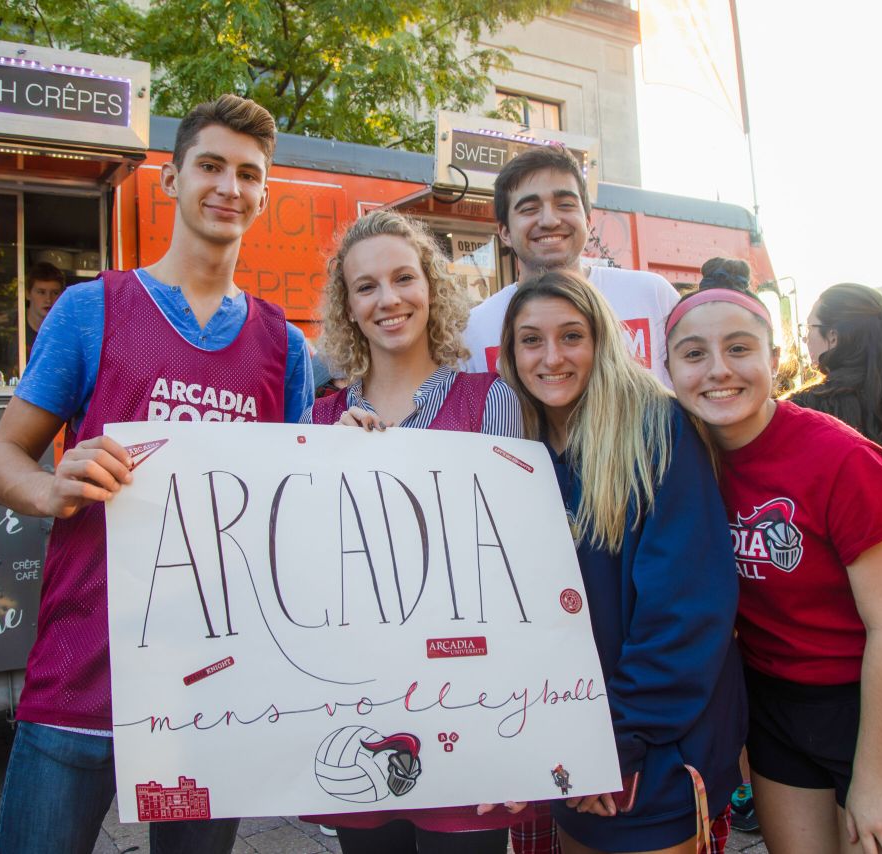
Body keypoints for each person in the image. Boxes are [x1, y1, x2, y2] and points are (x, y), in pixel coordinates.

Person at [0, 94, 313, 854]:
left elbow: (294, 505)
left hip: (209, 688)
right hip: (81, 669)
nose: (230, 187)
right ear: (170, 180)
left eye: (249, 175)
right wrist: (51, 485)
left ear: (264, 196)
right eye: (211, 166)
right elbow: (0, 458)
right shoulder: (91, 309)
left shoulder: (283, 345)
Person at [666, 271, 882, 854]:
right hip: (781, 703)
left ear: (775, 357)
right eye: (693, 354)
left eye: (739, 348)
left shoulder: (841, 458)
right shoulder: (684, 460)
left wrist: (873, 776)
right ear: (671, 370)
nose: (718, 370)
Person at [299, 209, 524, 852]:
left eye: (404, 278)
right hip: (356, 710)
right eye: (365, 286)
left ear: (432, 287)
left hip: (467, 705)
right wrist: (324, 467)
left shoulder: (494, 401)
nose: (388, 299)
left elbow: (523, 568)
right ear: (347, 306)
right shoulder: (318, 421)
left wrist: (523, 726)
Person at [499, 269, 745, 854]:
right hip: (572, 743)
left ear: (602, 342)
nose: (551, 356)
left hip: (650, 750)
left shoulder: (655, 430)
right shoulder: (522, 448)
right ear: (511, 354)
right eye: (531, 339)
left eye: (571, 336)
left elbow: (683, 612)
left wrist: (615, 738)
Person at [462, 145, 679, 385]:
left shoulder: (652, 296)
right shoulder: (476, 329)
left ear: (587, 220)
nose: (549, 221)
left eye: (565, 204)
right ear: (504, 232)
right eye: (529, 209)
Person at [788, 282, 882, 606]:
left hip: (853, 572)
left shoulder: (806, 406)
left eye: (809, 328)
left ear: (834, 337)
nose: (805, 339)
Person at [0, 261, 65, 378]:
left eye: (55, 293)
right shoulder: (5, 326)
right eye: (41, 292)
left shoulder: (68, 330)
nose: (48, 299)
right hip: (9, 395)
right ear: (27, 294)